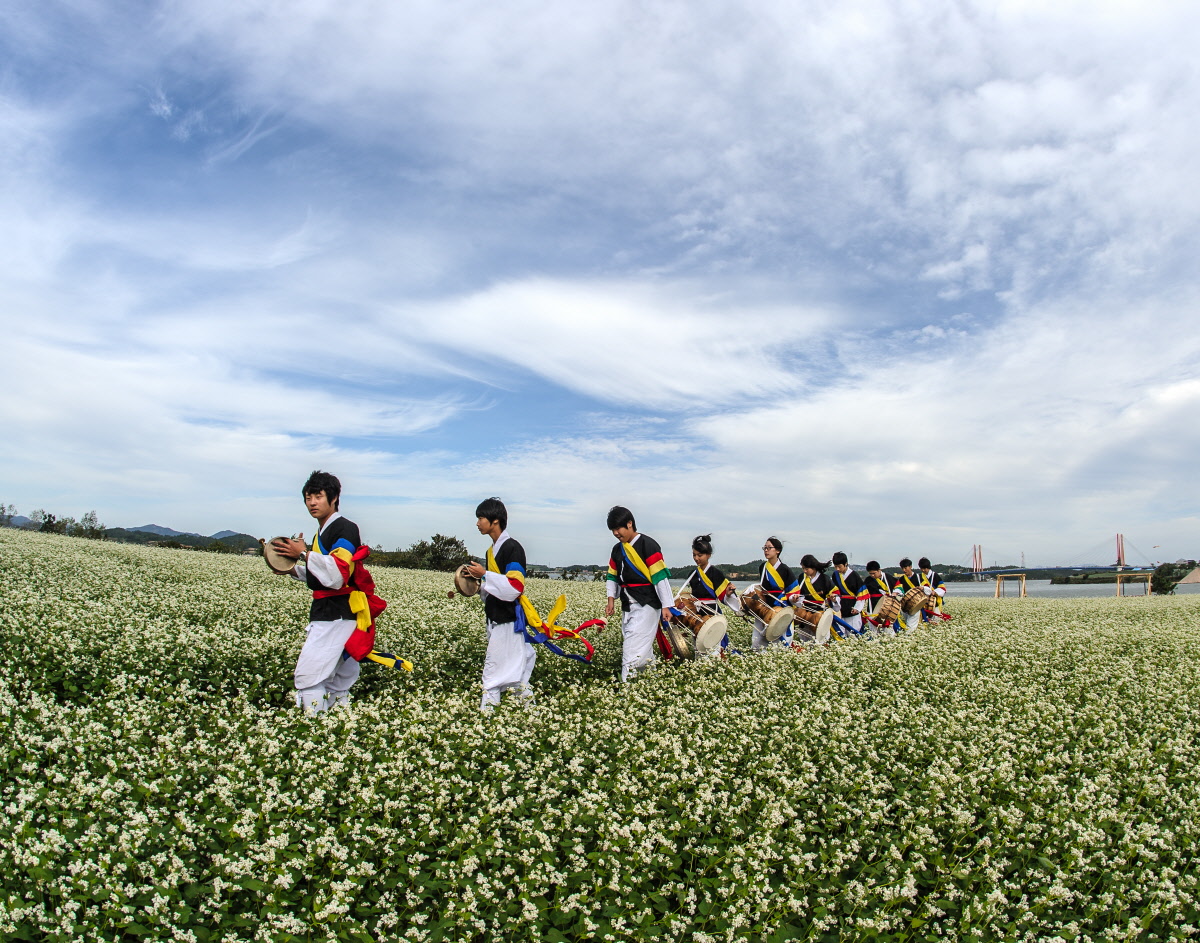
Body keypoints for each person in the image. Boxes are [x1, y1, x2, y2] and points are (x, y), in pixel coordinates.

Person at [272, 470, 386, 713]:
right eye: (307, 497)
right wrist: (293, 570)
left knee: (309, 676)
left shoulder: (345, 528)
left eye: (318, 496)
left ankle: (315, 728)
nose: (312, 503)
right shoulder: (320, 533)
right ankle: (336, 727)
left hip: (337, 615)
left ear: (333, 498)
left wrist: (302, 554)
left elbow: (337, 574)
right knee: (336, 679)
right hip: (332, 612)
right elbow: (321, 576)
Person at [464, 497, 536, 711]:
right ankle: (530, 713)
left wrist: (485, 574)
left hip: (508, 620)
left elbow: (514, 587)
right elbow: (492, 587)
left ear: (495, 521)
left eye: (481, 518)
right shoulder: (490, 551)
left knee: (493, 672)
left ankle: (488, 716)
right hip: (496, 616)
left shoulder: (513, 548)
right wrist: (476, 584)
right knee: (517, 673)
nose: (477, 523)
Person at [604, 506, 675, 680]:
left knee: (632, 651)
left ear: (630, 524)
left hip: (647, 604)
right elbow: (612, 576)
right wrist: (611, 599)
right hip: (628, 604)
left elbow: (660, 578)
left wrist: (667, 606)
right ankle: (652, 682)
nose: (615, 533)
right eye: (612, 530)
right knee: (641, 648)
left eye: (618, 528)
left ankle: (627, 688)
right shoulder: (617, 549)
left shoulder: (648, 545)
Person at [680, 534, 741, 653]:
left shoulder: (715, 573)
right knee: (698, 641)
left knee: (714, 642)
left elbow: (723, 595)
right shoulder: (692, 574)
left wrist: (728, 593)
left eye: (700, 555)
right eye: (694, 555)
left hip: (712, 610)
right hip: (697, 613)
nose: (696, 558)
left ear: (708, 555)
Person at [753, 537, 799, 650]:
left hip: (780, 604)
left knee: (780, 635)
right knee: (759, 637)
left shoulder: (785, 569)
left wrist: (794, 598)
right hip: (764, 605)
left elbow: (792, 590)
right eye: (765, 548)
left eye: (769, 548)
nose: (766, 551)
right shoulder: (763, 567)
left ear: (777, 551)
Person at [794, 553, 834, 642]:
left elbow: (834, 593)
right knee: (804, 639)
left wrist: (833, 598)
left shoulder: (824, 579)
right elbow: (796, 591)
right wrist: (795, 598)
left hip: (819, 611)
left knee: (821, 637)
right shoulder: (802, 578)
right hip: (804, 612)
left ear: (814, 567)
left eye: (806, 569)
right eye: (803, 568)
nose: (804, 571)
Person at [828, 551, 868, 636]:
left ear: (846, 564)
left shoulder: (854, 576)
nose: (837, 569)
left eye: (839, 567)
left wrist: (857, 608)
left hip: (852, 608)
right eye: (835, 567)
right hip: (840, 608)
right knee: (841, 634)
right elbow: (834, 590)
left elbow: (861, 594)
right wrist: (834, 599)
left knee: (853, 633)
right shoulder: (835, 575)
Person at [862, 560, 897, 636]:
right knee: (874, 632)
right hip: (872, 607)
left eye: (874, 573)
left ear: (879, 570)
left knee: (888, 630)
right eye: (870, 573)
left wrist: (895, 593)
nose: (872, 575)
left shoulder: (888, 578)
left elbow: (898, 586)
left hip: (886, 607)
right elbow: (863, 592)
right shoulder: (868, 580)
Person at [892, 557, 923, 632]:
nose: (904, 570)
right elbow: (898, 589)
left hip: (916, 604)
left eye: (905, 568)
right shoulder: (901, 579)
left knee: (911, 625)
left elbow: (927, 589)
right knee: (909, 623)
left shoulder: (919, 577)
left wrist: (922, 588)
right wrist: (896, 593)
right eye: (902, 568)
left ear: (910, 567)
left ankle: (909, 636)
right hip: (905, 605)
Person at [918, 556, 948, 620]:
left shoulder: (935, 576)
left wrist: (935, 592)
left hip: (934, 601)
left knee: (936, 618)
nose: (923, 570)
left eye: (925, 568)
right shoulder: (920, 577)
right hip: (925, 602)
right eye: (921, 568)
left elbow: (942, 588)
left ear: (928, 567)